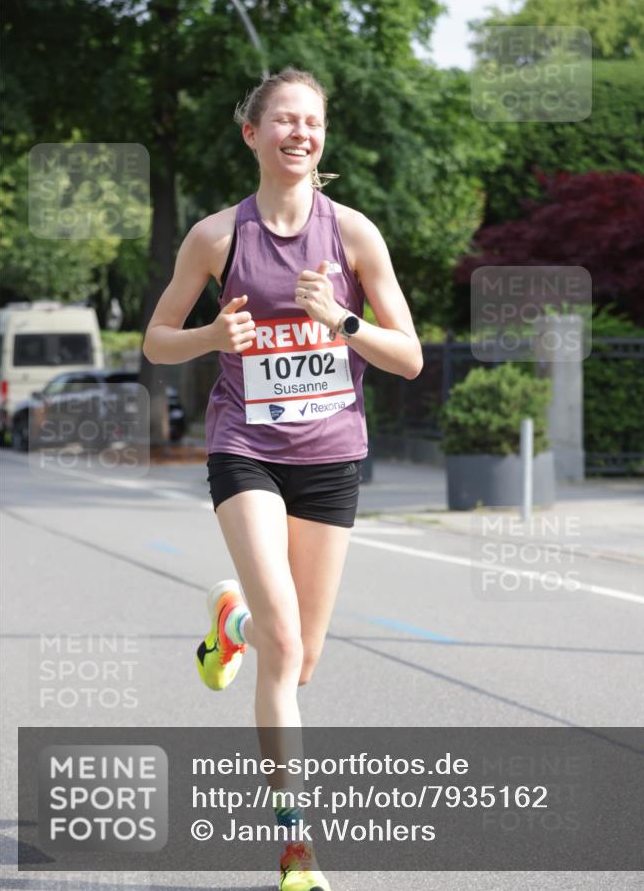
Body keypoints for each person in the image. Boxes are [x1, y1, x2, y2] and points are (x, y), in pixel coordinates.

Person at [143, 68, 423, 891]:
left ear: (321, 139)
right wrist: (211, 339)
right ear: (252, 134)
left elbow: (405, 356)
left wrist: (344, 322)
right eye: (285, 122)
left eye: (313, 123)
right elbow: (157, 338)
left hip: (332, 458)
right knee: (288, 643)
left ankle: (230, 625)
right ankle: (296, 845)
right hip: (247, 450)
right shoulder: (216, 238)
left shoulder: (355, 236)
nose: (300, 134)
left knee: (298, 663)